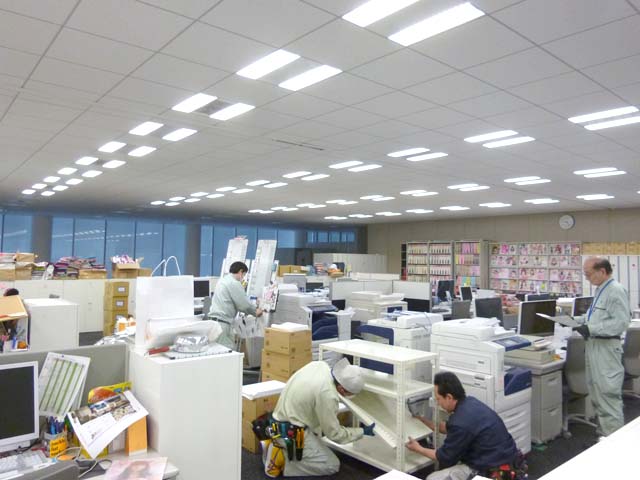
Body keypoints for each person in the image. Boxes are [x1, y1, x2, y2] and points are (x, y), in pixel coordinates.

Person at [264, 358, 375, 477]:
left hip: (279, 421)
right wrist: (361, 432)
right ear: (341, 389)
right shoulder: (328, 395)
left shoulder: (319, 365)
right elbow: (335, 434)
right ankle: (281, 459)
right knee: (331, 465)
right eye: (349, 394)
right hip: (293, 433)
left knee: (317, 429)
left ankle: (276, 444)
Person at [406, 371, 519, 480]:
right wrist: (423, 421)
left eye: (438, 399)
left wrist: (418, 448)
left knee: (432, 478)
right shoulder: (470, 403)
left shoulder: (459, 422)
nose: (438, 403)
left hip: (493, 471)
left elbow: (443, 457)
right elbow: (447, 428)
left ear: (449, 397)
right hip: (510, 461)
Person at [575, 257, 631, 436]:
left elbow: (621, 323)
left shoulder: (615, 291)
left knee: (608, 397)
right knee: (597, 395)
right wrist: (574, 321)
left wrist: (590, 328)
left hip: (606, 349)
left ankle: (615, 442)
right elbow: (595, 317)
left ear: (602, 271)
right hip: (595, 346)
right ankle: (605, 436)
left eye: (588, 274)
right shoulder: (601, 290)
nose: (587, 278)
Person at [207, 261, 263, 350]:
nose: (243, 278)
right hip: (223, 324)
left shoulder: (223, 280)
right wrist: (255, 311)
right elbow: (244, 305)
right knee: (227, 352)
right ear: (240, 271)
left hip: (214, 323)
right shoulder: (234, 283)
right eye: (243, 275)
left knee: (216, 351)